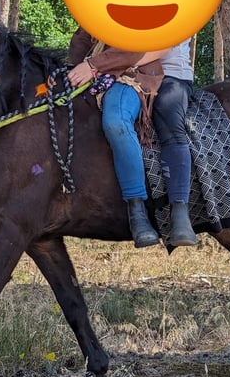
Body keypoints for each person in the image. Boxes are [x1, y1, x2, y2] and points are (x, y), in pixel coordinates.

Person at [67, 27, 168, 248]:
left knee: (116, 120)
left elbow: (136, 47)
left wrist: (92, 66)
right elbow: (83, 41)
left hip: (131, 75)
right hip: (94, 75)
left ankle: (137, 210)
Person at [151, 38, 197, 247]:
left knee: (170, 121)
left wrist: (122, 60)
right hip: (123, 74)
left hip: (170, 75)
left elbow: (163, 45)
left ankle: (179, 210)